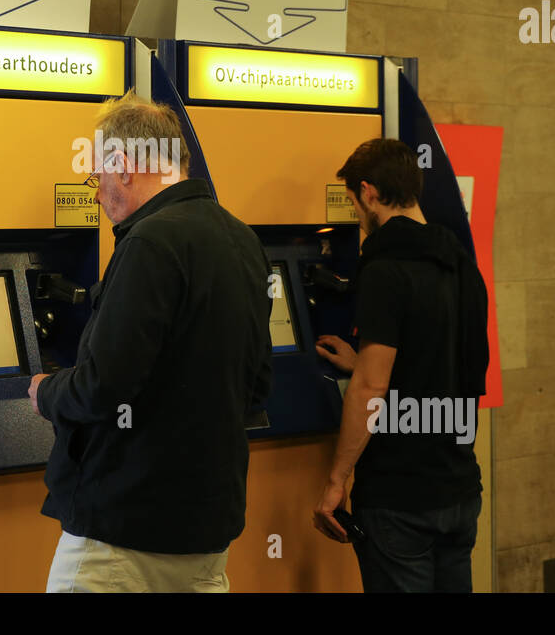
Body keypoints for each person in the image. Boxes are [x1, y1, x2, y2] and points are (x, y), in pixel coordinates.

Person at [28, 90, 273, 592]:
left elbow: (103, 387)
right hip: (205, 535)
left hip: (122, 539)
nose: (96, 193)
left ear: (124, 164)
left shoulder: (150, 242)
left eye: (97, 176)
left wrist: (44, 392)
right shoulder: (242, 239)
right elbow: (256, 386)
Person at [311, 138, 488, 592]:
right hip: (459, 489)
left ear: (368, 192)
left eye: (352, 203)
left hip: (400, 498)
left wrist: (337, 480)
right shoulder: (460, 261)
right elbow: (450, 358)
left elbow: (372, 389)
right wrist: (362, 360)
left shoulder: (386, 268)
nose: (355, 216)